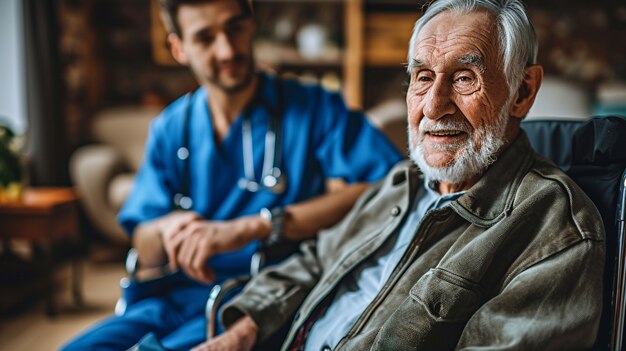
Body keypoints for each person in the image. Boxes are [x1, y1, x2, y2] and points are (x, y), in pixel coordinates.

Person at [193, 0, 606, 350]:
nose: (432, 106)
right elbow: (318, 259)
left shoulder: (555, 232)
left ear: (522, 91)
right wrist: (243, 331)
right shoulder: (400, 181)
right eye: (422, 78)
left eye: (464, 78)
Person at [61, 0, 402, 350]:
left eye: (234, 28)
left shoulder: (314, 107)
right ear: (178, 47)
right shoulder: (170, 127)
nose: (227, 50)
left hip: (263, 297)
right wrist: (168, 229)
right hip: (172, 298)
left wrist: (259, 226)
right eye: (205, 38)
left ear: (251, 23)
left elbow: (390, 185)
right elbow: (144, 243)